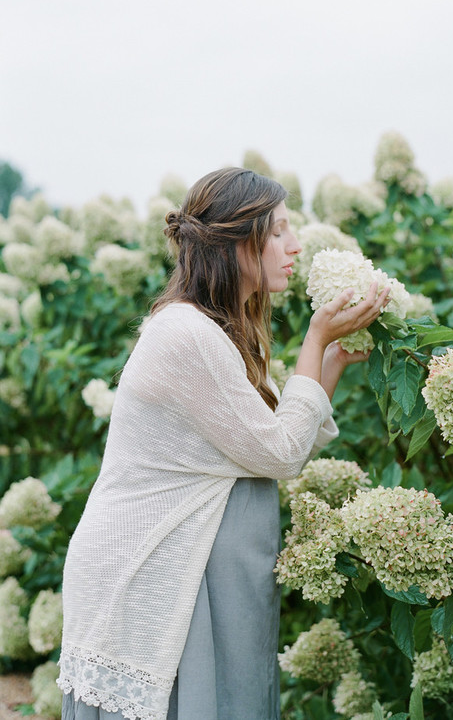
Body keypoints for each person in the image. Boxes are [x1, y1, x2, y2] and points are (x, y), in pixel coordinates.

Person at [58, 167, 388, 720]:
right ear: (238, 243)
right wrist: (315, 337)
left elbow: (275, 445)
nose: (295, 245)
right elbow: (280, 452)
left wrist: (326, 365)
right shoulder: (186, 335)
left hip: (188, 570)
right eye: (279, 230)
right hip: (150, 571)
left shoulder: (214, 329)